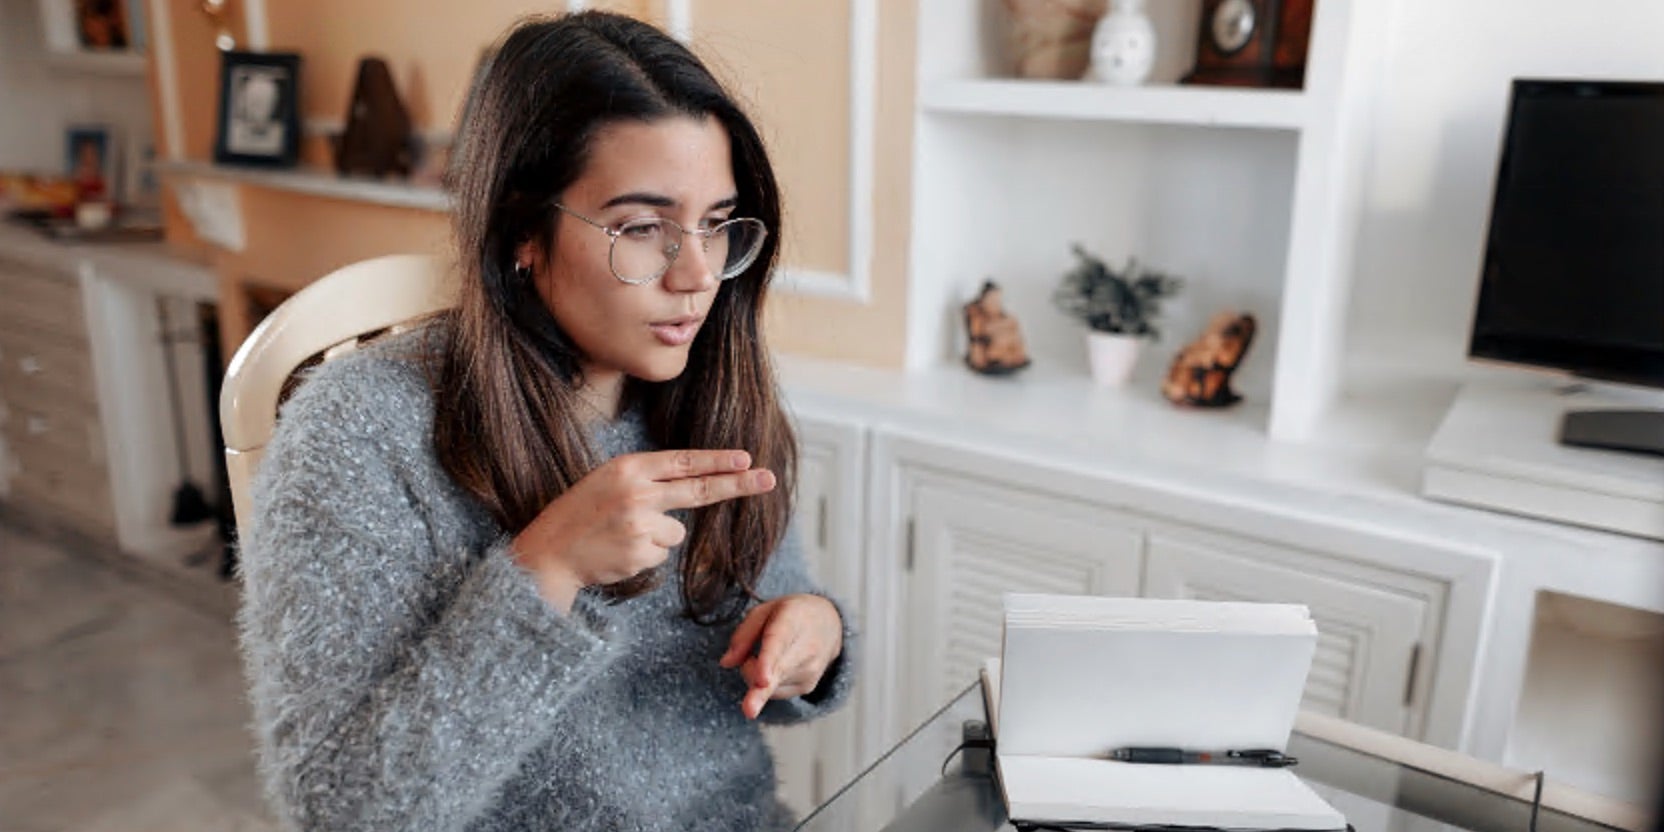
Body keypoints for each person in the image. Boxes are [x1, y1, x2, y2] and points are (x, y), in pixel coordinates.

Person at [236, 11, 854, 831]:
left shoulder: (717, 386)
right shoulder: (358, 434)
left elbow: (779, 633)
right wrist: (546, 569)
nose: (699, 276)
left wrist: (815, 636)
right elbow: (344, 813)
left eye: (715, 222)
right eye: (642, 228)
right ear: (523, 231)